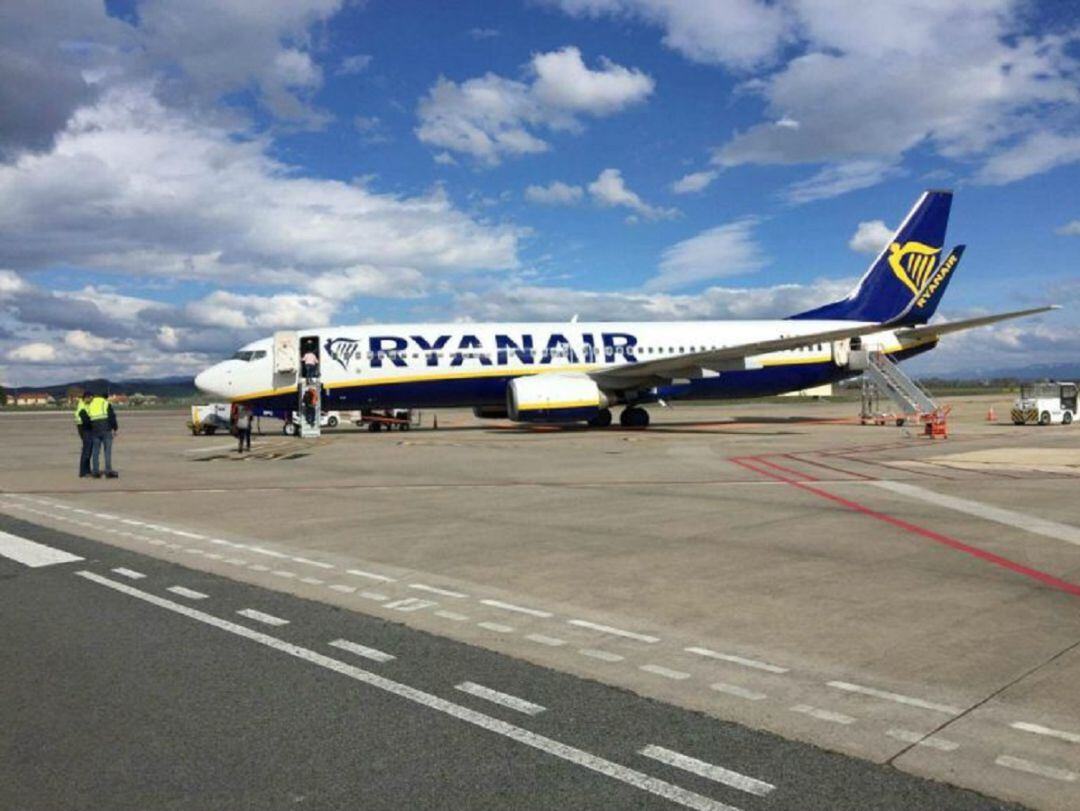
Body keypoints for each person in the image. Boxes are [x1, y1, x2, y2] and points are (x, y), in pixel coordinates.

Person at [88, 392, 119, 479]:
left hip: (94, 429)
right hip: (105, 428)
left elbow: (88, 418)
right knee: (107, 451)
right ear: (106, 397)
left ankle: (95, 471)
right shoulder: (106, 403)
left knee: (95, 451)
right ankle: (108, 471)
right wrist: (115, 428)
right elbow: (112, 417)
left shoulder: (91, 404)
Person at [75, 392, 93, 478]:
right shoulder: (82, 407)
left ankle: (87, 470)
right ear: (86, 397)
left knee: (88, 450)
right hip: (84, 429)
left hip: (86, 429)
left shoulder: (86, 405)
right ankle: (83, 472)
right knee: (86, 450)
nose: (91, 400)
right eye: (90, 398)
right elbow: (86, 420)